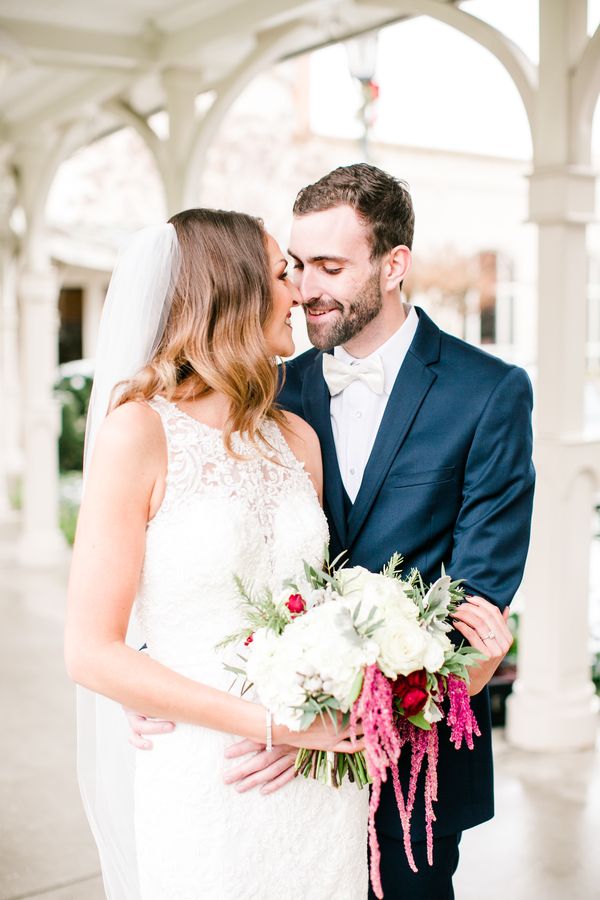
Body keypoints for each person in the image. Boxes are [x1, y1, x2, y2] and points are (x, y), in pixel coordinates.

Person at [130, 165, 533, 899]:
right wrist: (160, 670)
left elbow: (473, 602)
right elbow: (214, 540)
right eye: (297, 264)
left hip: (414, 772)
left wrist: (321, 721)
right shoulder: (270, 390)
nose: (306, 286)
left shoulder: (490, 393)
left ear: (394, 265)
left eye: (331, 266)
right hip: (264, 764)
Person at [64, 208, 371, 900]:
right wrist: (275, 724)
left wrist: (317, 717)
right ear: (230, 291)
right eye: (280, 274)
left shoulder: (297, 440)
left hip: (315, 777)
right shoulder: (137, 434)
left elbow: (310, 607)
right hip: (208, 774)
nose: (297, 293)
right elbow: (90, 651)